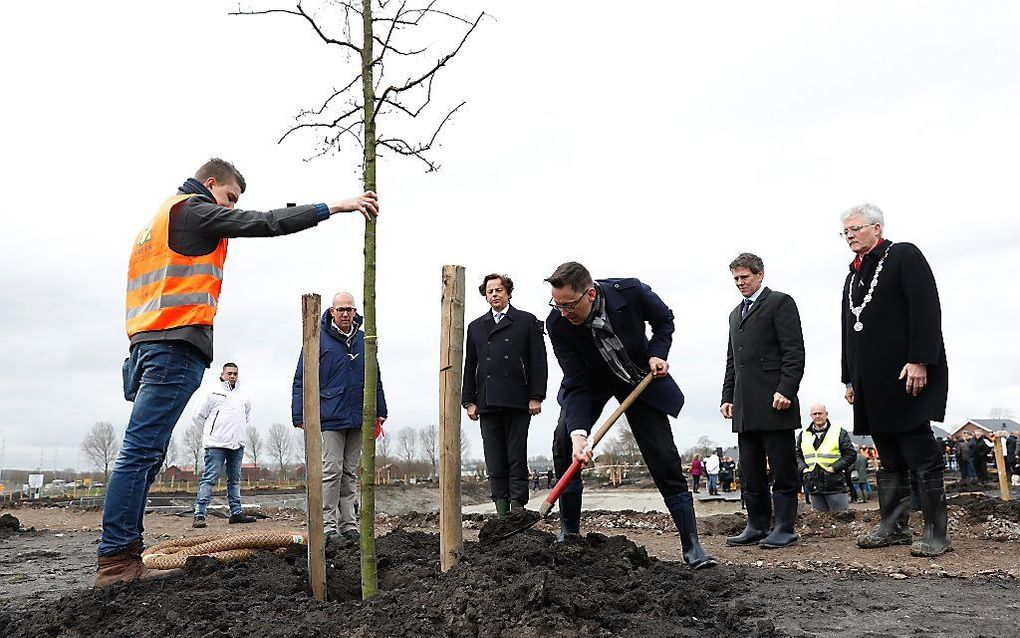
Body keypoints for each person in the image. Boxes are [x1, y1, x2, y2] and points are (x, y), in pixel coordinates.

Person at [97, 158, 378, 587]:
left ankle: (123, 553)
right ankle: (117, 559)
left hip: (146, 344)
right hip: (173, 346)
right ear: (210, 184)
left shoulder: (157, 222)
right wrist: (333, 207)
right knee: (140, 454)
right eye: (228, 198)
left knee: (146, 454)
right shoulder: (192, 209)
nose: (229, 208)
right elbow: (264, 222)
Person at [545, 261, 715, 569]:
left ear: (591, 294)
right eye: (557, 305)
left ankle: (692, 545)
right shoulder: (557, 324)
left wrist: (658, 352)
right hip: (591, 381)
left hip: (637, 376)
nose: (563, 312)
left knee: (662, 456)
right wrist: (579, 434)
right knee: (562, 441)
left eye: (569, 305)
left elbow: (664, 321)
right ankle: (569, 532)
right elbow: (576, 381)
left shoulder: (631, 293)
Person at [840, 203, 952, 557]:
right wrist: (849, 378)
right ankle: (894, 525)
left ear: (876, 227)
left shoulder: (903, 255)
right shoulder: (853, 275)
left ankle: (937, 533)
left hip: (906, 374)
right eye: (845, 232)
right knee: (888, 453)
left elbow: (926, 308)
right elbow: (848, 331)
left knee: (918, 448)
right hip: (870, 380)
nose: (849, 235)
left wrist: (920, 360)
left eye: (855, 228)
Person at [721, 253, 806, 549]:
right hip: (745, 406)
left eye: (744, 277)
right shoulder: (735, 314)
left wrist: (786, 389)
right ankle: (756, 525)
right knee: (751, 471)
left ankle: (784, 527)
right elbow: (733, 361)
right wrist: (727, 397)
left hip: (775, 401)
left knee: (782, 469)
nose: (740, 283)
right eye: (736, 279)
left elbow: (794, 352)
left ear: (759, 275)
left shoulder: (780, 302)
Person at [292, 292, 387, 541]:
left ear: (355, 312)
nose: (345, 314)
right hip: (330, 415)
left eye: (349, 309)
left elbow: (374, 376)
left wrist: (380, 410)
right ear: (332, 312)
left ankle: (349, 523)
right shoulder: (317, 339)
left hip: (358, 415)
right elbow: (301, 378)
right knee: (331, 469)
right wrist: (299, 413)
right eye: (341, 309)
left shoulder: (364, 339)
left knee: (350, 472)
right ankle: (327, 525)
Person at [462, 273, 548, 518]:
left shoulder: (526, 321)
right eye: (490, 291)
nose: (494, 295)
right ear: (485, 295)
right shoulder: (476, 327)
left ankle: (518, 511)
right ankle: (501, 514)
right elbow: (471, 365)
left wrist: (536, 396)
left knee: (516, 458)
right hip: (487, 402)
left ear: (508, 292)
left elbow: (538, 362)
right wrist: (469, 401)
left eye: (499, 290)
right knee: (494, 460)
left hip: (518, 401)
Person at [191, 362, 256, 528]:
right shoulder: (212, 393)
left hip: (237, 445)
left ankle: (236, 513)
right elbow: (198, 416)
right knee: (210, 478)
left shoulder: (244, 396)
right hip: (216, 445)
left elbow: (246, 417)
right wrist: (209, 434)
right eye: (229, 373)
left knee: (234, 480)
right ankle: (199, 514)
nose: (232, 376)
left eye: (235, 373)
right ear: (222, 375)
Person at [795, 404, 857, 512]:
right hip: (813, 485)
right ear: (811, 416)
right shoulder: (803, 434)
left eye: (820, 413)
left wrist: (834, 467)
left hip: (834, 485)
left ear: (826, 414)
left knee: (840, 520)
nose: (817, 416)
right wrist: (803, 469)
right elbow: (797, 455)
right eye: (815, 414)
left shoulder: (839, 432)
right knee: (820, 524)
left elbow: (850, 454)